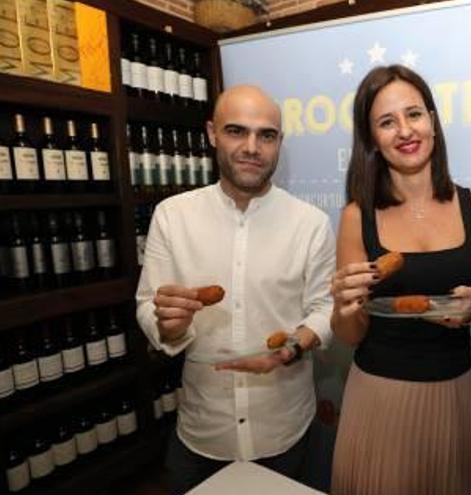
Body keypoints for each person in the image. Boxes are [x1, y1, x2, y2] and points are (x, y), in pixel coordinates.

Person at [135, 85, 335, 494]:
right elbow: (146, 303)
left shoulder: (310, 223)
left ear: (279, 142)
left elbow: (325, 307)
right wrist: (168, 327)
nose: (251, 147)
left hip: (285, 429)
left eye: (266, 135)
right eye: (236, 131)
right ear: (211, 133)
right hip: (203, 432)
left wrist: (292, 347)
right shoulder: (172, 216)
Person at [329, 65, 471, 495]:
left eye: (414, 114)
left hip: (455, 396)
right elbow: (349, 334)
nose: (405, 130)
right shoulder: (356, 216)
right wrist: (345, 305)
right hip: (378, 399)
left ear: (433, 122)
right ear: (371, 141)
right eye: (387, 122)